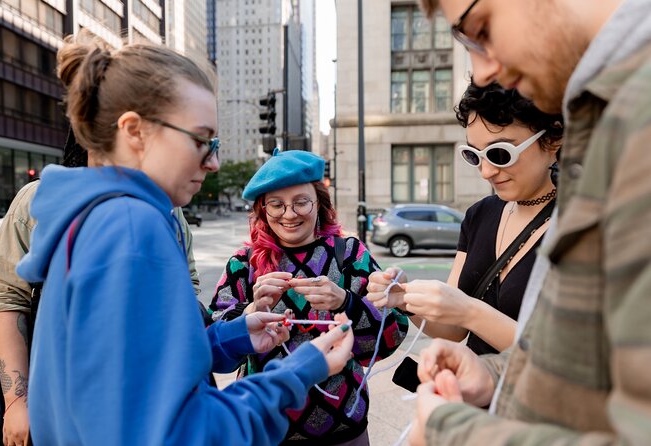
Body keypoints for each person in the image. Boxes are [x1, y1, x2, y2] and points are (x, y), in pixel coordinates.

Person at [13, 31, 354, 445]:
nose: (212, 162)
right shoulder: (136, 227)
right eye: (199, 140)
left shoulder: (87, 220)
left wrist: (231, 336)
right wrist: (296, 373)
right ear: (134, 131)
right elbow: (184, 433)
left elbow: (126, 375)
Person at [406, 0, 651, 444]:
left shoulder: (632, 122)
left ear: (552, 138)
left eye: (481, 30)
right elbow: (579, 364)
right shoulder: (602, 133)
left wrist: (450, 430)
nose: (482, 71)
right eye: (474, 155)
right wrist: (493, 372)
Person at [0, 132, 201, 446]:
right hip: (52, 401)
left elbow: (186, 292)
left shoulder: (169, 207)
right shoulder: (37, 200)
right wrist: (17, 402)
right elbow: (8, 299)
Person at [209, 149, 409, 445]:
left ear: (319, 203)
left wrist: (347, 302)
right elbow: (212, 342)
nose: (289, 214)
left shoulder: (349, 254)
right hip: (264, 429)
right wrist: (250, 309)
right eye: (276, 205)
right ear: (263, 209)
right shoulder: (244, 262)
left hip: (343, 430)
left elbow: (392, 334)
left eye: (301, 202)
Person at [367, 82, 563, 355]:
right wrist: (405, 300)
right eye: (474, 155)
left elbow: (564, 360)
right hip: (473, 394)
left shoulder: (581, 225)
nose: (486, 171)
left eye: (500, 153)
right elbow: (453, 329)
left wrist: (470, 312)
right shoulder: (479, 214)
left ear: (552, 139)